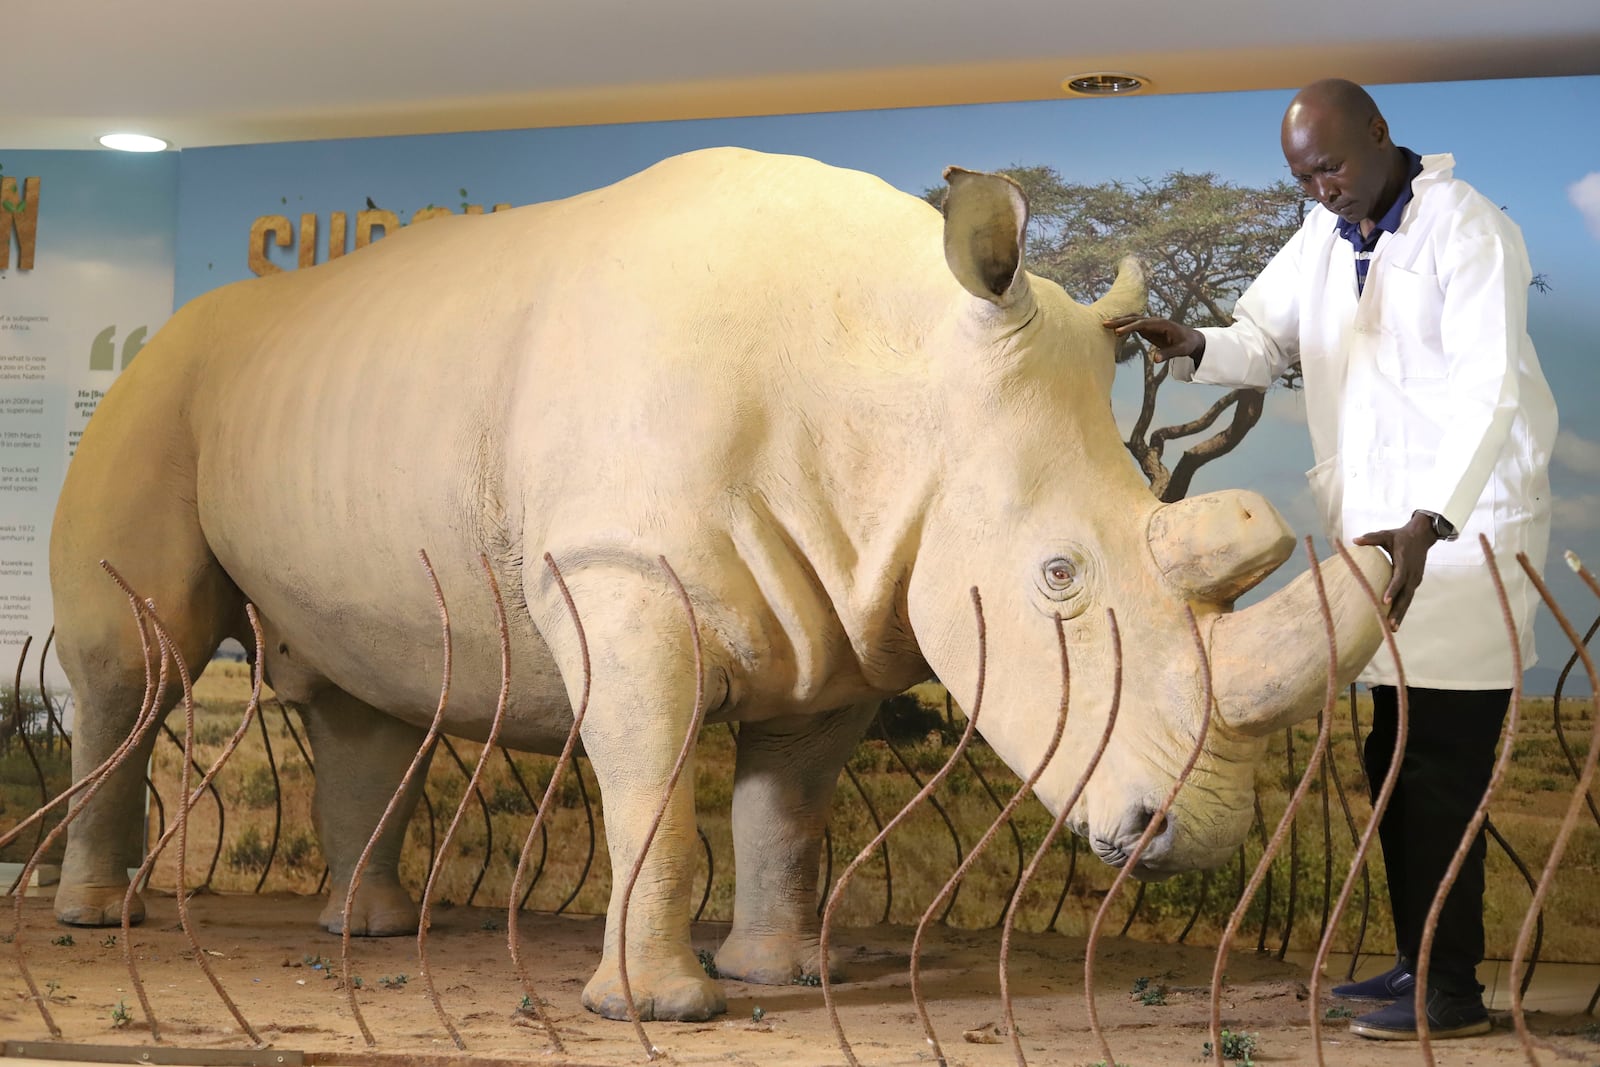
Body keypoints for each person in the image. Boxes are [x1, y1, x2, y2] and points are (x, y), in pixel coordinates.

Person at [1104, 77, 1557, 1041]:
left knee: (1441, 765)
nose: (1319, 188)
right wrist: (1194, 346)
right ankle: (1415, 963)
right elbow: (1262, 337)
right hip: (1381, 543)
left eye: (1332, 165)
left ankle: (1451, 993)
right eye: (1303, 175)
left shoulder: (1466, 229)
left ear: (1380, 134)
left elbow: (1490, 393)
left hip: (1460, 536)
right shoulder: (1323, 234)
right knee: (1394, 752)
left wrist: (1432, 519)